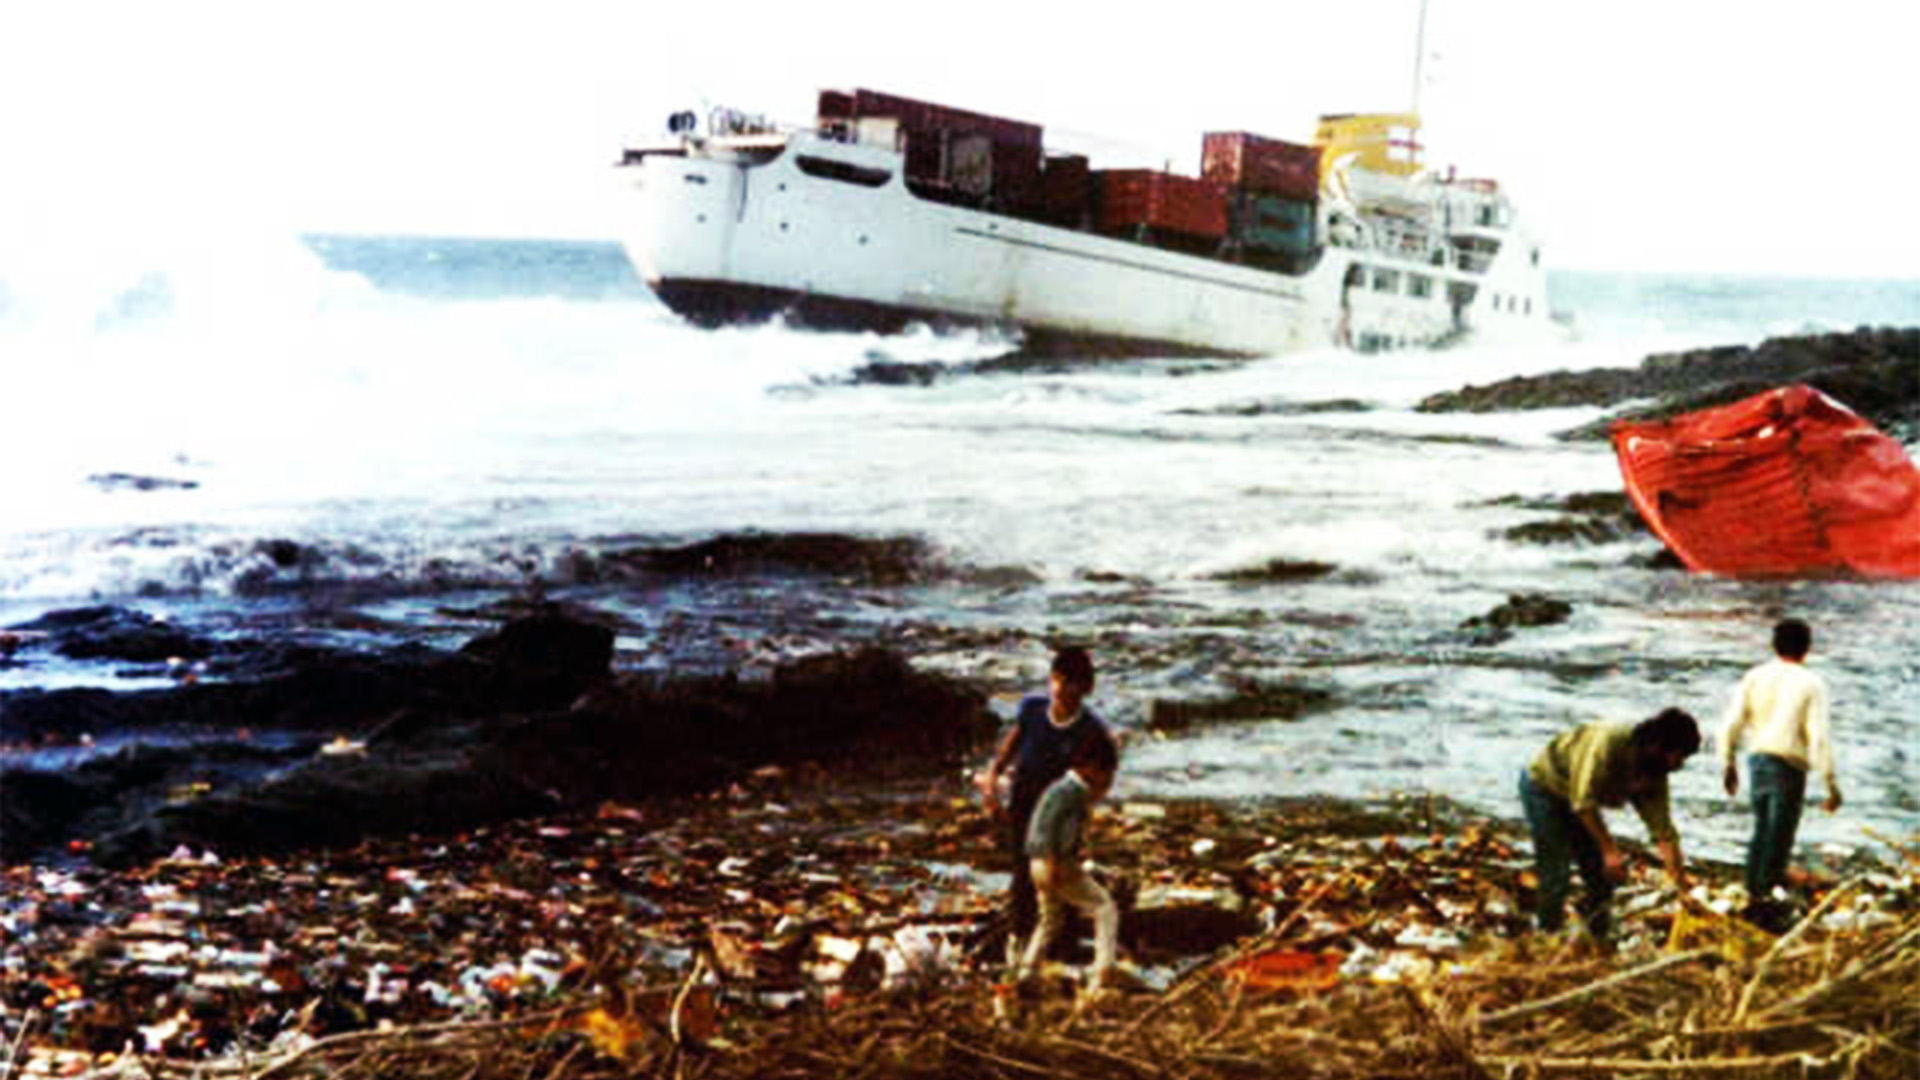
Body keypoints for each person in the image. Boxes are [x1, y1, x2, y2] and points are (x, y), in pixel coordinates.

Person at [974, 646, 1117, 966]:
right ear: (1051, 679)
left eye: (1072, 684)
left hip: (1059, 812)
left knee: (1062, 877)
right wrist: (993, 778)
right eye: (1058, 680)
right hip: (1023, 804)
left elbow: (1101, 773)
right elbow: (1012, 743)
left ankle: (1061, 950)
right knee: (1023, 877)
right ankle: (1018, 947)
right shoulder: (1033, 710)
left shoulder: (1088, 731)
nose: (1062, 689)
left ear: (1087, 688)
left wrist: (1085, 810)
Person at [1518, 708, 1701, 944]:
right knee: (1556, 871)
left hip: (1580, 802)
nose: (1679, 764)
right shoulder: (1610, 741)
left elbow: (1664, 834)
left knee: (1599, 875)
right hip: (1544, 786)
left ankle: (1599, 937)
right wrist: (1609, 850)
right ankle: (1546, 936)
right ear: (1659, 745)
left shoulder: (1655, 774)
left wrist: (1681, 887)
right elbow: (1583, 802)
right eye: (1679, 755)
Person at [1719, 618, 1840, 928]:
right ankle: (1763, 904)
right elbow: (1818, 737)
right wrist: (1830, 783)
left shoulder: (1755, 676)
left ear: (1774, 645)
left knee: (1761, 832)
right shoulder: (1811, 683)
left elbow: (1730, 724)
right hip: (1788, 764)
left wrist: (1728, 764)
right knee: (1779, 837)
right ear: (1807, 648)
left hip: (1757, 758)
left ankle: (1753, 893)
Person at [1015, 731, 1120, 990]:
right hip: (1052, 863)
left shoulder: (1073, 791)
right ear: (1092, 768)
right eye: (1106, 773)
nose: (1107, 781)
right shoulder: (1067, 791)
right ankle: (1103, 971)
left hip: (1041, 863)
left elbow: (1065, 830)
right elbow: (1045, 827)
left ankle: (1026, 972)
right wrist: (1053, 861)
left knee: (1050, 918)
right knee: (1104, 907)